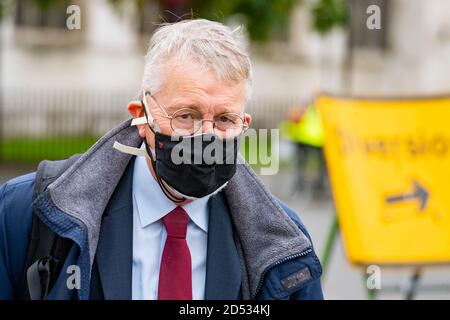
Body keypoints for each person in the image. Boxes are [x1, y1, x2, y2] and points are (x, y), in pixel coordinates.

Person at [0, 19, 323, 300]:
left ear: (244, 126)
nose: (205, 137)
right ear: (142, 116)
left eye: (224, 119)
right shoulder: (26, 214)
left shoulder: (283, 243)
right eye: (186, 115)